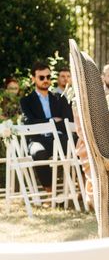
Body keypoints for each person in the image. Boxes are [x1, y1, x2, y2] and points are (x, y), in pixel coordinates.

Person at [19, 62, 74, 190]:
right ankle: (49, 190)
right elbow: (29, 122)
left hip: (59, 138)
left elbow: (67, 120)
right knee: (38, 153)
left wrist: (43, 121)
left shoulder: (60, 98)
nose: (46, 80)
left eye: (48, 77)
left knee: (78, 146)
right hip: (38, 139)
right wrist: (52, 120)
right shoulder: (26, 101)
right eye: (41, 77)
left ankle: (79, 189)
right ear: (33, 79)